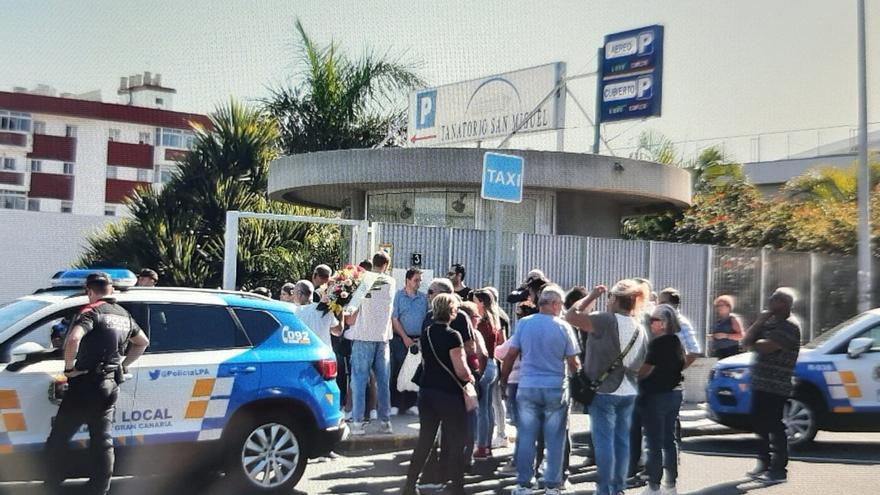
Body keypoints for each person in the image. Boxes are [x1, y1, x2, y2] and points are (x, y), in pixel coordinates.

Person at [44, 272, 150, 495]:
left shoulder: (92, 311)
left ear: (89, 291)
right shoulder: (123, 314)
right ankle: (99, 489)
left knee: (58, 438)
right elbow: (142, 343)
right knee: (102, 439)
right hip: (110, 384)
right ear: (110, 290)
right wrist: (123, 364)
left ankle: (51, 485)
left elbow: (73, 339)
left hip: (85, 384)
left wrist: (69, 368)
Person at [565, 280, 649, 495]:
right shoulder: (640, 328)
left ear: (613, 299)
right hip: (629, 390)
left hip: (603, 390)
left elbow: (571, 315)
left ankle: (604, 489)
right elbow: (641, 363)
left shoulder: (605, 320)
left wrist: (591, 296)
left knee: (604, 442)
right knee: (622, 442)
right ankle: (618, 488)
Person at [501, 285, 580, 495]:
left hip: (528, 386)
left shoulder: (525, 324)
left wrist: (503, 381)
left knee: (527, 436)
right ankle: (552, 485)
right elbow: (573, 363)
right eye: (561, 304)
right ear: (554, 304)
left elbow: (510, 356)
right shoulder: (564, 327)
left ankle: (524, 484)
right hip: (555, 387)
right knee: (555, 438)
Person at [403, 294, 474, 495]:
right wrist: (471, 379)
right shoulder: (453, 335)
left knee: (425, 439)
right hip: (449, 394)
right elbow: (460, 369)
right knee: (455, 440)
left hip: (427, 391)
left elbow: (426, 362)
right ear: (452, 311)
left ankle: (410, 484)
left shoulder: (426, 332)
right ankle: (457, 486)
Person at [741, 288, 801, 484]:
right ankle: (763, 462)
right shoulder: (769, 322)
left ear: (785, 304)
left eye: (775, 299)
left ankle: (779, 469)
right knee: (759, 423)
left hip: (777, 384)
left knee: (774, 424)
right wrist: (759, 322)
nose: (770, 301)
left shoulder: (789, 326)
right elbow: (745, 341)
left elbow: (766, 346)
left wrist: (754, 342)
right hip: (760, 382)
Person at [344, 252, 396, 435]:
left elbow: (351, 310)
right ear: (386, 265)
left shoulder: (363, 280)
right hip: (382, 338)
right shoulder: (391, 282)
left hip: (363, 337)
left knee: (358, 380)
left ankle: (357, 422)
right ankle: (385, 421)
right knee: (383, 381)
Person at [638, 304, 685, 495]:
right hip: (675, 392)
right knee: (669, 439)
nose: (651, 323)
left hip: (657, 394)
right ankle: (671, 484)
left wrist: (632, 375)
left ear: (664, 323)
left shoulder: (658, 343)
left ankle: (654, 485)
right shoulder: (676, 341)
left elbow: (645, 370)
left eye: (654, 320)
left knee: (654, 442)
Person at [390, 268, 428, 415]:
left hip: (417, 339)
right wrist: (405, 337)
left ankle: (412, 403)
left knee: (414, 371)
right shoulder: (398, 297)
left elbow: (425, 318)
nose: (418, 283)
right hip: (401, 339)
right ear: (407, 280)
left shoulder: (423, 298)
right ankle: (396, 403)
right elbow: (394, 319)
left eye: (419, 280)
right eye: (416, 280)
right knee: (398, 370)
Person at [658, 288, 702, 367]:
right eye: (659, 303)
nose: (660, 306)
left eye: (663, 303)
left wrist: (677, 370)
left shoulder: (682, 323)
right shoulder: (659, 322)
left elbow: (694, 351)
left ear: (674, 304)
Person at [291, 280, 341, 348]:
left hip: (303, 353)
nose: (292, 295)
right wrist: (341, 311)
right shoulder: (325, 310)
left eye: (293, 292)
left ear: (299, 294)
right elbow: (337, 331)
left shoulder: (294, 312)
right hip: (324, 354)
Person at [710, 295, 745, 359]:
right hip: (719, 351)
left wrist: (726, 335)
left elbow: (741, 336)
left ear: (728, 306)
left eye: (721, 305)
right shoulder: (719, 320)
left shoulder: (732, 318)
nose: (719, 308)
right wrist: (713, 336)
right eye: (717, 306)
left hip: (731, 351)